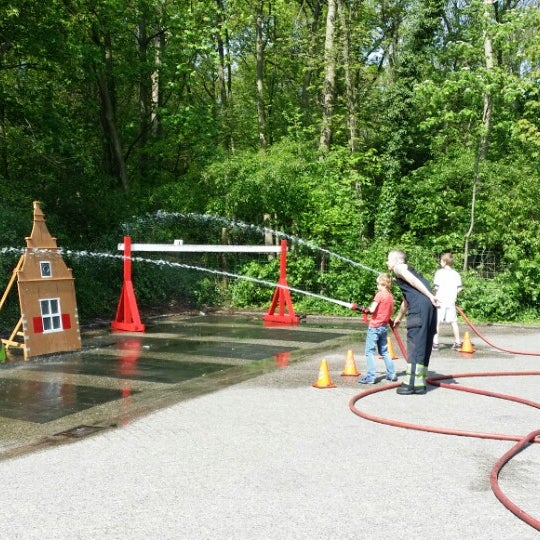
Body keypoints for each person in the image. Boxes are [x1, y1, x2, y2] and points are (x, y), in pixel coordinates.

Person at [387, 250, 439, 395]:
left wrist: (430, 295)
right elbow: (406, 300)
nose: (387, 263)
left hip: (421, 308)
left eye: (388, 260)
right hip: (429, 308)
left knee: (416, 343)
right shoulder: (415, 272)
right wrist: (399, 317)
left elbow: (412, 281)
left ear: (397, 260)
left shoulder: (400, 268)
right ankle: (419, 383)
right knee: (424, 343)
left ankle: (410, 384)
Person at [353, 273, 397, 384]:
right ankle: (392, 374)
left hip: (374, 327)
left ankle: (370, 377)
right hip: (383, 326)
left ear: (382, 283)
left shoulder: (379, 295)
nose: (377, 286)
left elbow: (372, 309)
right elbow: (391, 311)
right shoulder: (391, 296)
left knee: (369, 352)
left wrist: (361, 308)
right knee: (385, 352)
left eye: (377, 283)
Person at [433, 252, 463, 350]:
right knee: (453, 322)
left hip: (440, 300)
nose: (440, 262)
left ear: (445, 262)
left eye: (441, 261)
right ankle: (458, 342)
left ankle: (435, 343)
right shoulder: (456, 274)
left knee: (437, 322)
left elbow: (436, 288)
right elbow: (459, 289)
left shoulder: (439, 273)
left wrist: (434, 296)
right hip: (451, 301)